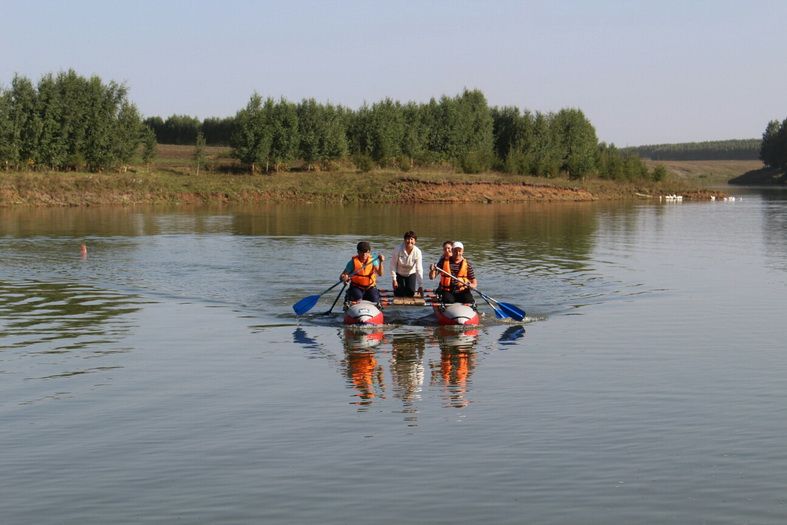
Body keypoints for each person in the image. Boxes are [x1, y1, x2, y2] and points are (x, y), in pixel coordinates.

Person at [390, 230, 424, 297]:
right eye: (408, 239)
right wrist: (394, 279)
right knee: (399, 294)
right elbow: (392, 265)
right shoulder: (397, 249)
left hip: (411, 273)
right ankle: (398, 290)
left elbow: (419, 269)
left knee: (410, 293)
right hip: (399, 273)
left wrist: (420, 285)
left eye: (412, 239)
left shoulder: (418, 252)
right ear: (404, 240)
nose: (409, 241)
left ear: (415, 241)